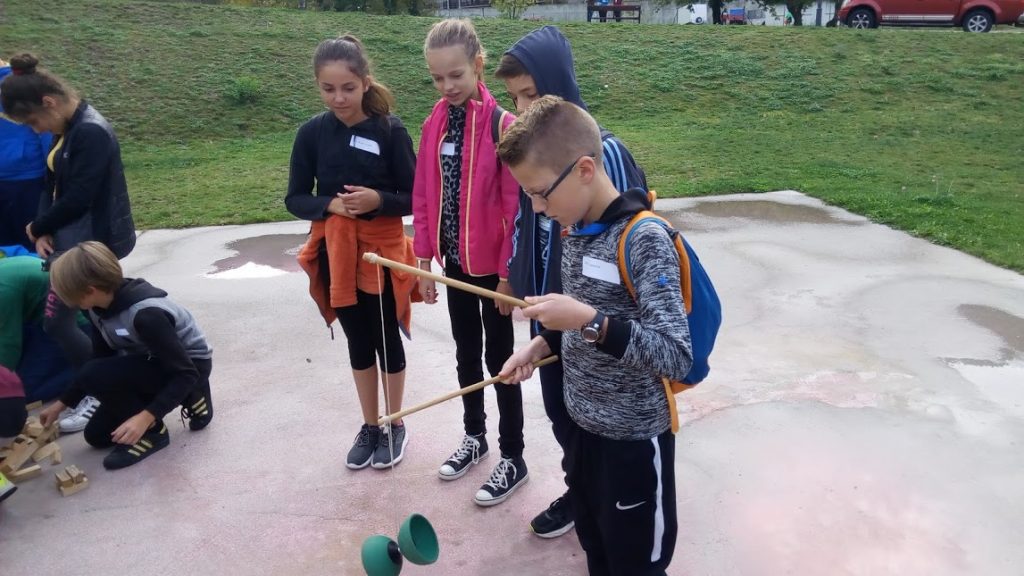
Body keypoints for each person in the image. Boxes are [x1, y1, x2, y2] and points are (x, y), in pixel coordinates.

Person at [497, 96, 692, 575]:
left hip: (632, 444)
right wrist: (540, 346)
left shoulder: (644, 239)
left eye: (542, 193)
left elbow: (674, 353)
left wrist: (589, 320)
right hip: (582, 435)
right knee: (597, 553)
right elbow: (579, 324)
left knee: (636, 565)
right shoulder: (576, 231)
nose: (538, 209)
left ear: (585, 169)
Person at [494, 25, 648, 539]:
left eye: (530, 95)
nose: (521, 109)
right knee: (562, 411)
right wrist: (517, 282)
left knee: (602, 424)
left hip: (601, 329)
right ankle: (580, 490)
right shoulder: (535, 160)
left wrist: (584, 318)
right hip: (554, 318)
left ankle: (613, 498)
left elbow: (625, 249)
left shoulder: (604, 155)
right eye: (514, 99)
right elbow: (526, 222)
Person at [288, 35, 419, 470]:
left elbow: (414, 196)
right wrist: (330, 205)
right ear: (318, 86)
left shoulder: (390, 130)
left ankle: (395, 423)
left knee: (386, 340)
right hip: (335, 253)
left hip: (381, 254)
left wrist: (378, 200)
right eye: (328, 89)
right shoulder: (311, 133)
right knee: (359, 343)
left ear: (365, 82)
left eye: (347, 88)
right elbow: (295, 198)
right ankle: (370, 425)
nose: (339, 98)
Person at [414, 18, 526, 507]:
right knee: (465, 354)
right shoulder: (433, 124)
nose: (447, 86)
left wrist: (507, 275)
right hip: (454, 265)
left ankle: (514, 456)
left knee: (501, 362)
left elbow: (514, 208)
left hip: (492, 274)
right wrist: (424, 259)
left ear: (478, 65)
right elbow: (423, 193)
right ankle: (474, 436)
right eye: (437, 77)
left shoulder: (503, 126)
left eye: (455, 75)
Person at [1, 53, 137, 434]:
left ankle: (102, 390)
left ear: (49, 102)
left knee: (77, 323)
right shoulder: (66, 129)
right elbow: (51, 183)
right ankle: (101, 384)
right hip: (70, 241)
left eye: (33, 122)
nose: (35, 130)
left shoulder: (91, 132)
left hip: (93, 243)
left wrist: (38, 226)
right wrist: (42, 229)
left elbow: (79, 196)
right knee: (61, 323)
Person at [38, 242, 213, 470]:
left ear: (90, 290)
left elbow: (186, 373)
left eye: (71, 296)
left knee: (94, 374)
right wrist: (63, 403)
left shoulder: (146, 315)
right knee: (98, 436)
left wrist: (145, 418)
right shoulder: (97, 309)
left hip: (190, 368)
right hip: (152, 363)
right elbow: (100, 358)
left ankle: (154, 432)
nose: (67, 302)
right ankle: (184, 397)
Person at [0, 254, 77, 409]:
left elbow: (9, 345)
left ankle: (79, 378)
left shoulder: (3, 291)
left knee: (17, 392)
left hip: (69, 325)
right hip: (34, 317)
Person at [0, 58, 52, 251]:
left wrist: (53, 170)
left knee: (34, 242)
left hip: (27, 180)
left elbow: (46, 129)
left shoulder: (20, 86)